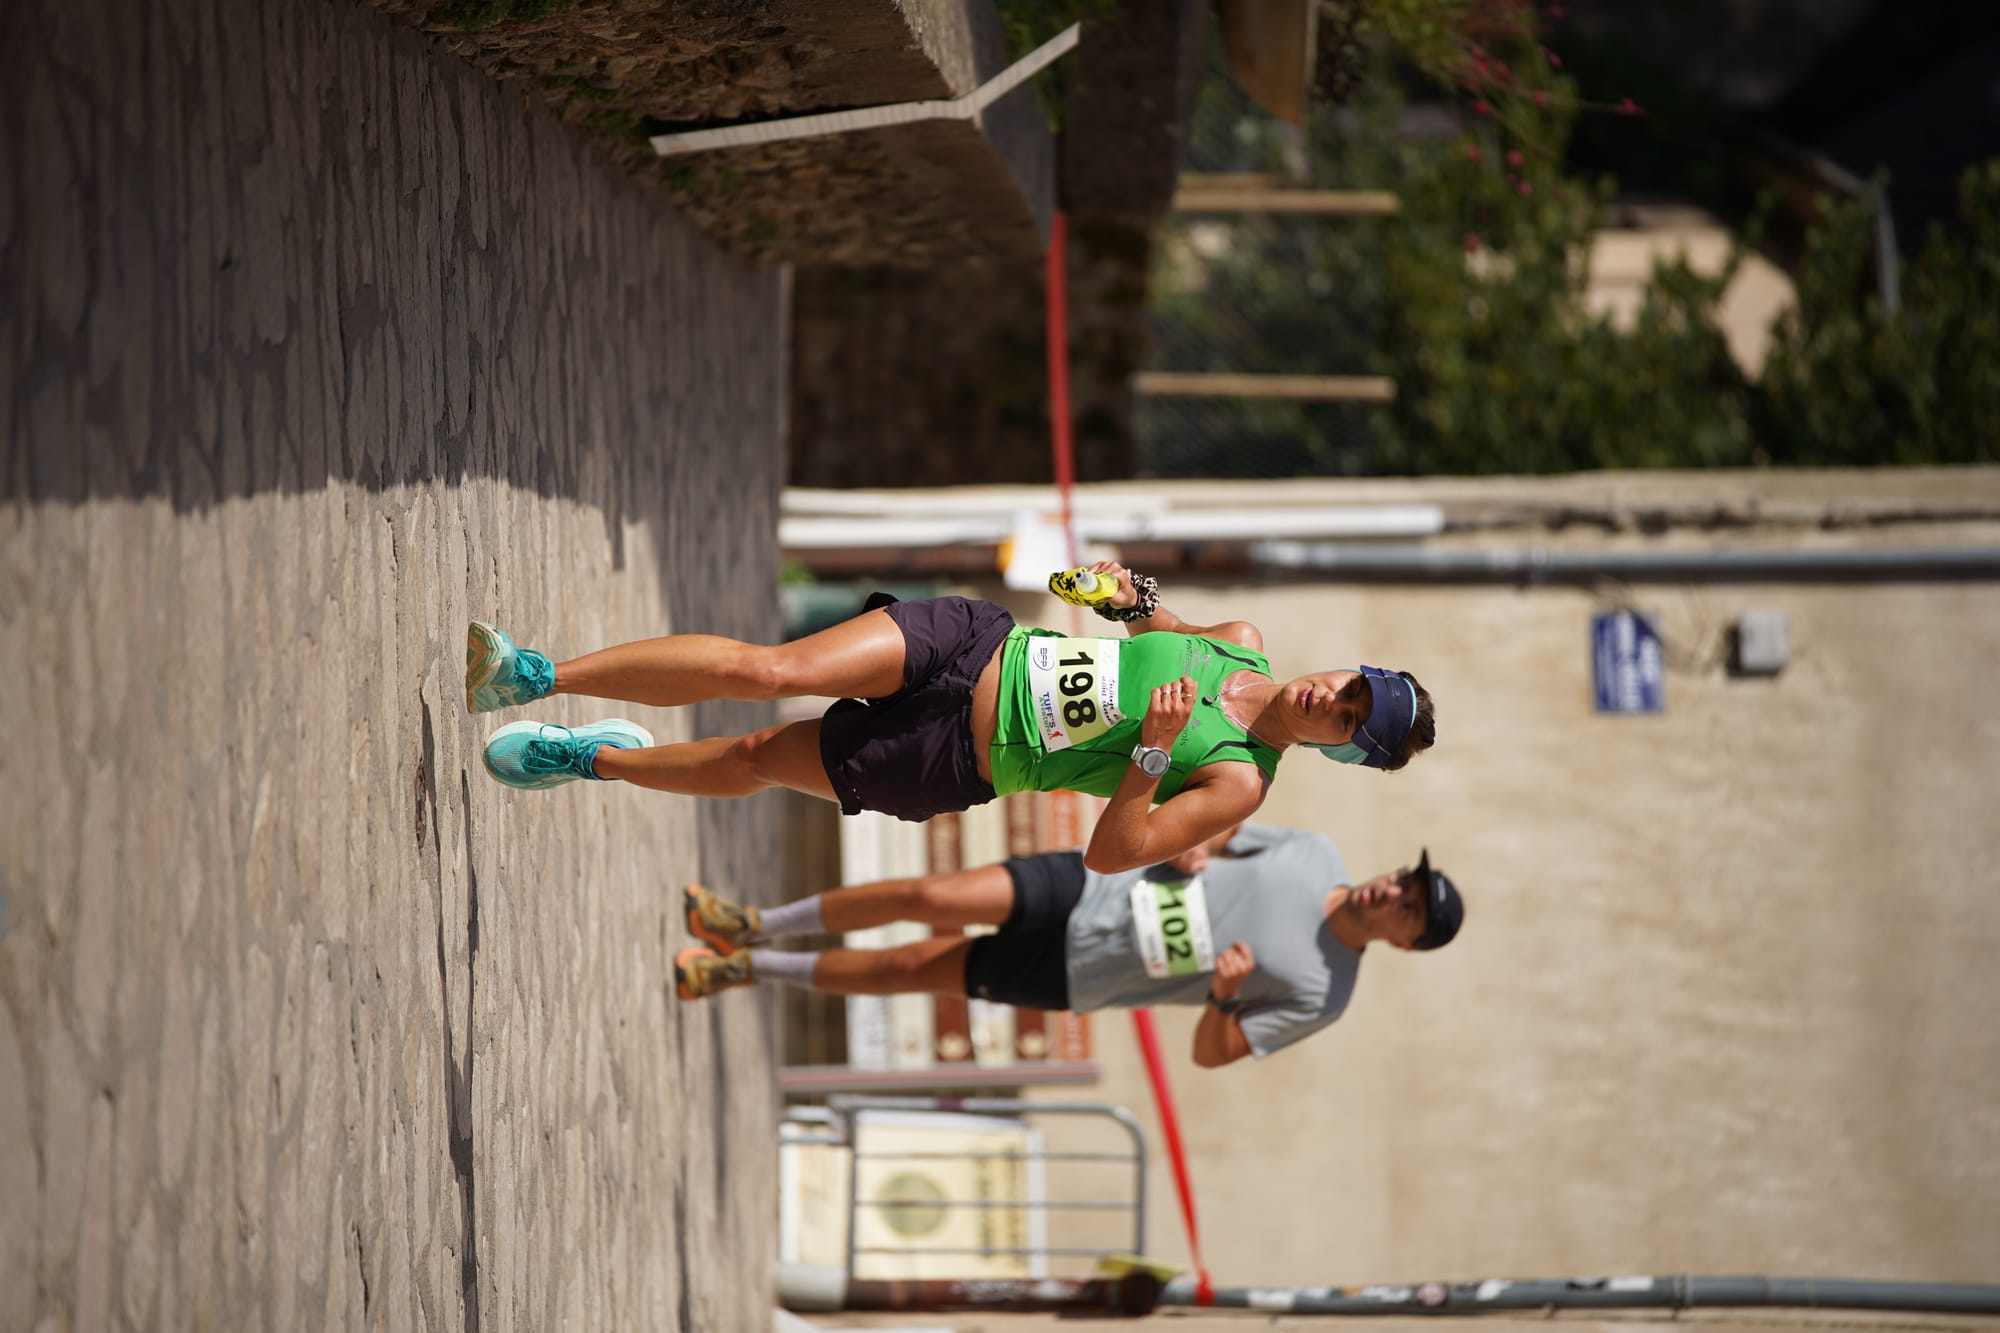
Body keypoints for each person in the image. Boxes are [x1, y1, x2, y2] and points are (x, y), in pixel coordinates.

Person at [466, 561, 1435, 872]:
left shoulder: (1235, 782)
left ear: (1344, 749)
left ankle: (589, 761)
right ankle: (536, 673)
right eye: (1352, 683)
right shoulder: (1240, 635)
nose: (1330, 697)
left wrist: (1144, 756)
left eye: (1347, 717)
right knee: (772, 669)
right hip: (975, 646)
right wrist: (1126, 598)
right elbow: (1157, 627)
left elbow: (1109, 853)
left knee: (760, 753)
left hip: (953, 758)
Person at [671, 823, 1465, 1067]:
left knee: (912, 967)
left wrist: (1224, 993)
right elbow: (1216, 821)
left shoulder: (1325, 995)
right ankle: (757, 921)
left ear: (1404, 941)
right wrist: (1197, 842)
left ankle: (747, 967)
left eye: (1406, 907)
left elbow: (1212, 1053)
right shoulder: (1315, 852)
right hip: (1093, 885)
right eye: (1404, 879)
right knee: (932, 894)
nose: (1391, 890)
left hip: (1085, 971)